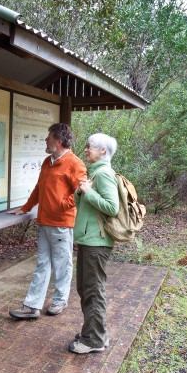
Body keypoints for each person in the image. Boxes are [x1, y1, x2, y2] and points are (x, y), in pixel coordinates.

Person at [7, 123, 87, 319]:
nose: (45, 140)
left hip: (61, 224)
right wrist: (25, 208)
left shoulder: (75, 164)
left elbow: (83, 192)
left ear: (58, 140)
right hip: (44, 222)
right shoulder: (47, 162)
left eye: (48, 137)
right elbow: (39, 189)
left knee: (62, 264)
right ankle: (32, 306)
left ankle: (60, 301)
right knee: (42, 263)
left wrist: (61, 204)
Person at [69, 133, 120, 354]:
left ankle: (93, 341)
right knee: (86, 287)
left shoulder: (104, 174)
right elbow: (85, 206)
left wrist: (88, 192)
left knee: (93, 290)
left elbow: (112, 207)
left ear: (103, 151)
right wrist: (82, 191)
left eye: (90, 147)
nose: (86, 150)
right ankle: (96, 333)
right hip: (90, 240)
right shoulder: (96, 174)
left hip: (96, 242)